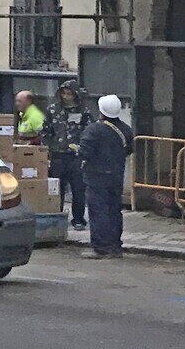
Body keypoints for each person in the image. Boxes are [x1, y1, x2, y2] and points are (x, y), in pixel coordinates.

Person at [78, 93, 133, 257]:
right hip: (116, 175)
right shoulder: (125, 129)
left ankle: (101, 248)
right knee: (114, 210)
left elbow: (84, 151)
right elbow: (129, 149)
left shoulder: (94, 129)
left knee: (98, 211)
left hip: (96, 177)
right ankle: (115, 246)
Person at [43, 79, 90, 233]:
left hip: (76, 156)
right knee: (58, 189)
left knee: (78, 189)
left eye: (69, 94)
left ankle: (78, 219)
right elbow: (45, 130)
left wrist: (82, 148)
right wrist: (51, 146)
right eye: (64, 93)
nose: (66, 96)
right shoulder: (52, 110)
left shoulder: (83, 111)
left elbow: (89, 131)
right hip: (58, 155)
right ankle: (58, 217)